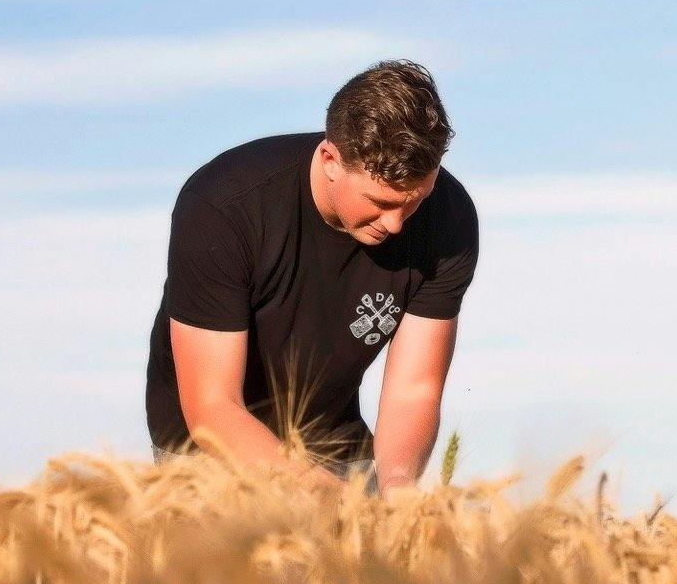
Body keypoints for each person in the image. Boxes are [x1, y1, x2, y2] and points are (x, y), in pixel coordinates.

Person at [145, 60, 478, 487]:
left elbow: (414, 391)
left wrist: (394, 509)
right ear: (330, 160)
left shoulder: (449, 219)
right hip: (207, 449)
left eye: (414, 201)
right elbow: (213, 407)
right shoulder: (221, 208)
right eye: (380, 202)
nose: (397, 224)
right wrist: (320, 498)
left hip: (334, 444)